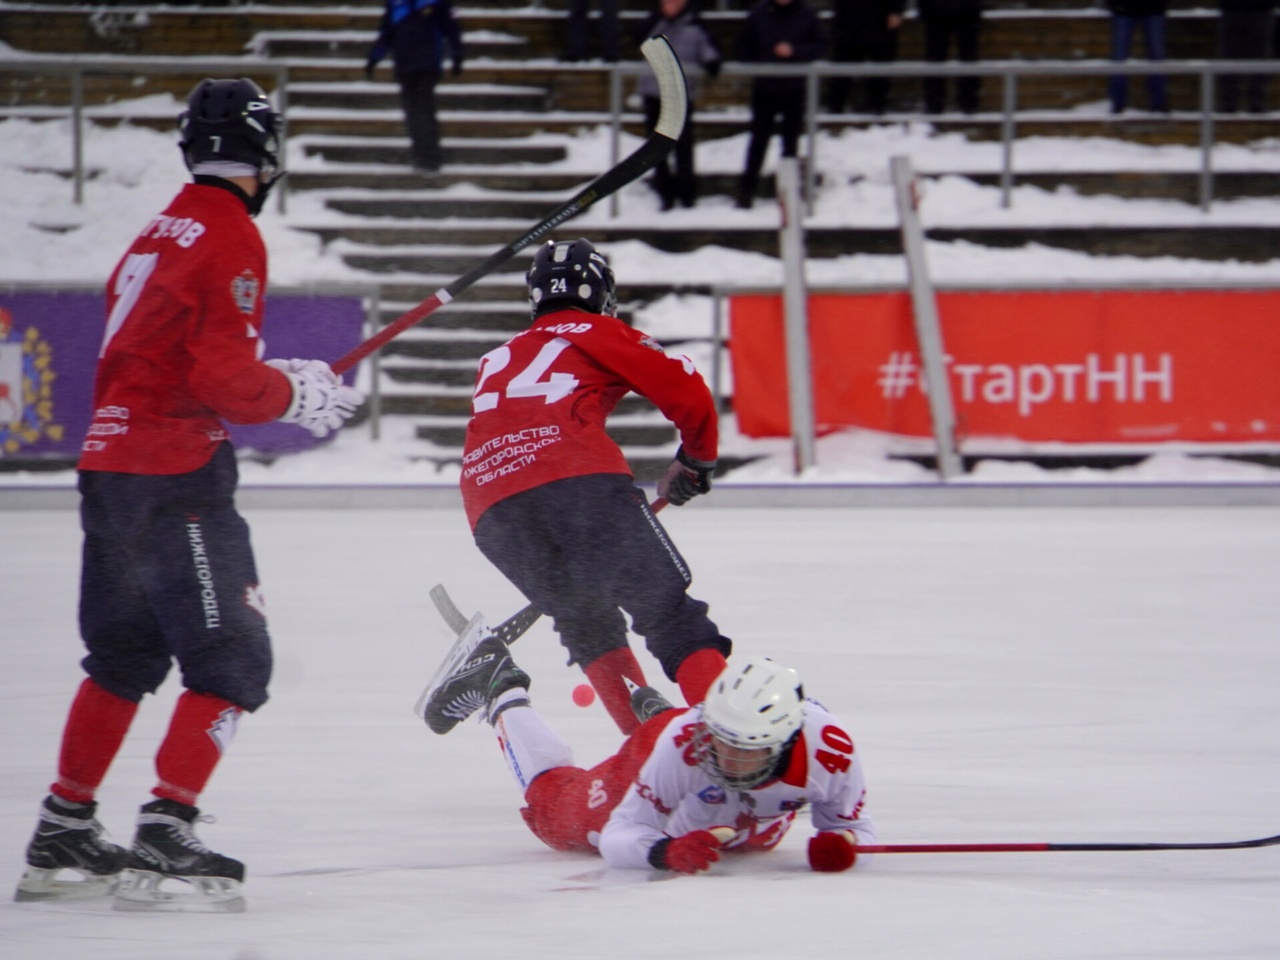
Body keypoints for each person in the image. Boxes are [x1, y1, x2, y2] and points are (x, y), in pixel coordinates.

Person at [12, 78, 364, 912]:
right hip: (176, 477)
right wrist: (290, 398)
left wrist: (274, 378)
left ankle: (65, 824)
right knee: (234, 659)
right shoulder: (230, 232)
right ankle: (169, 827)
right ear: (265, 153)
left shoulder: (158, 230)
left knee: (125, 657)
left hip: (110, 468)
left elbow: (176, 354)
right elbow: (218, 378)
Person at [455, 237, 731, 735]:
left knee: (587, 622)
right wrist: (696, 460)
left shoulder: (501, 354)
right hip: (576, 482)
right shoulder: (596, 330)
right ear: (601, 292)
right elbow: (687, 391)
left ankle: (647, 750)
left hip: (489, 507)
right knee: (668, 614)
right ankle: (733, 741)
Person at [423, 644, 876, 874]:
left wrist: (846, 848)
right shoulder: (688, 741)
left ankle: (656, 715)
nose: (725, 757)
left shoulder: (831, 753)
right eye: (720, 740)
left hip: (736, 819)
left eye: (744, 750)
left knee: (751, 841)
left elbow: (854, 828)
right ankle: (500, 687)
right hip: (661, 750)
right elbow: (621, 835)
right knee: (556, 816)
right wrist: (662, 853)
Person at [734, 0, 827, 209]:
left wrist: (794, 51)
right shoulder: (758, 13)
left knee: (790, 142)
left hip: (794, 87)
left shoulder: (807, 14)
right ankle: (747, 191)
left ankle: (789, 191)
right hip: (765, 88)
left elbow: (820, 46)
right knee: (758, 141)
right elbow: (741, 48)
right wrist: (762, 60)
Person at [634, 0, 723, 210]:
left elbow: (710, 51)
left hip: (681, 93)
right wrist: (660, 18)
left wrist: (712, 62)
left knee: (683, 145)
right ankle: (664, 192)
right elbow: (637, 38)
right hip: (653, 91)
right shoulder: (653, 22)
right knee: (656, 147)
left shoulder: (696, 25)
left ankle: (687, 193)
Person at [365, 0, 464, 172]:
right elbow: (386, 34)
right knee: (412, 113)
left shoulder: (436, 3)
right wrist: (374, 59)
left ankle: (431, 158)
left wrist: (457, 56)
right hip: (404, 66)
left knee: (425, 111)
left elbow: (451, 29)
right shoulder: (396, 5)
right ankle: (420, 156)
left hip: (428, 65)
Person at [826, 0, 906, 116]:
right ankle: (835, 108)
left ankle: (876, 107)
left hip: (881, 20)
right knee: (843, 66)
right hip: (849, 18)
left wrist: (896, 10)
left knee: (881, 66)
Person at [917, 0, 984, 114]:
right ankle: (937, 104)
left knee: (967, 59)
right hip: (939, 13)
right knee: (936, 61)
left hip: (963, 13)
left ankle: (968, 104)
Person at [1105, 0, 1169, 114]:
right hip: (1124, 10)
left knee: (1157, 59)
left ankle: (1158, 103)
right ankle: (1118, 103)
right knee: (1120, 58)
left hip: (1153, 9)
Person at [1216, 0, 1276, 113]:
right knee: (1229, 58)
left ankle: (1256, 100)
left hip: (1261, 10)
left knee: (1259, 59)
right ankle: (1229, 101)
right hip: (1231, 10)